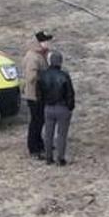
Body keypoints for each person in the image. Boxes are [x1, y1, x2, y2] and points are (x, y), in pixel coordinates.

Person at [37, 50, 75, 166]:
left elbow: (39, 93)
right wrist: (70, 107)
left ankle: (48, 158)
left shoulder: (43, 75)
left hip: (48, 107)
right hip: (62, 107)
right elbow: (70, 93)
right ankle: (60, 158)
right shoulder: (64, 76)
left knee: (48, 134)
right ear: (60, 62)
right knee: (61, 135)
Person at [21, 30, 54, 158]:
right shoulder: (33, 57)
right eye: (46, 40)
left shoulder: (41, 54)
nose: (49, 43)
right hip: (34, 95)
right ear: (40, 42)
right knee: (36, 122)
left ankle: (39, 143)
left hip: (39, 94)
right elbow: (31, 77)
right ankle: (33, 148)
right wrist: (46, 76)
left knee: (40, 121)